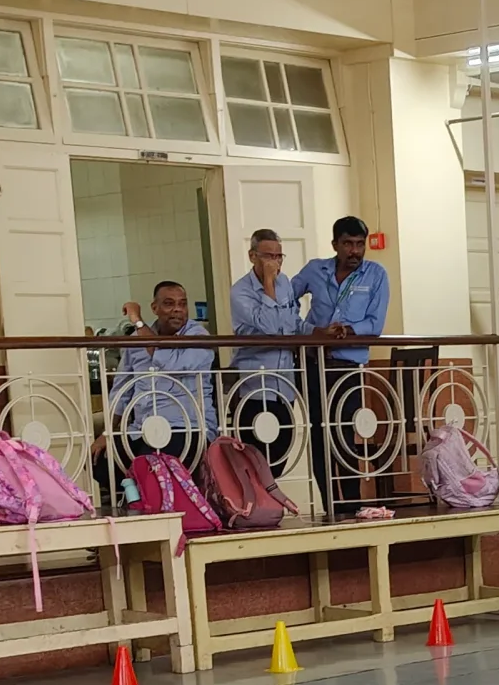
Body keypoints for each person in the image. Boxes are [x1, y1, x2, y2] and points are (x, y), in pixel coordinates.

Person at [294, 216, 393, 514]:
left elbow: (375, 324)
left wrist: (347, 331)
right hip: (313, 364)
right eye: (348, 244)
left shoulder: (376, 275)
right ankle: (330, 506)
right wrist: (309, 331)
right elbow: (285, 300)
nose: (355, 251)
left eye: (360, 244)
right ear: (335, 244)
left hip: (347, 368)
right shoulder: (315, 269)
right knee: (317, 434)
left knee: (344, 434)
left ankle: (351, 504)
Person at [112, 280, 215, 471]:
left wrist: (137, 321)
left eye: (183, 304)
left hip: (186, 427)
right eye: (169, 304)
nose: (177, 309)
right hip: (141, 429)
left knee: (150, 466)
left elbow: (169, 362)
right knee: (101, 461)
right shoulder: (135, 341)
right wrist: (108, 433)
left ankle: (147, 489)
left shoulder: (198, 335)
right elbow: (121, 389)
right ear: (155, 308)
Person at [228, 227, 306, 472]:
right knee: (257, 460)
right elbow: (270, 327)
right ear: (253, 256)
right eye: (269, 256)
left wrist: (319, 331)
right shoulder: (240, 291)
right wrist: (269, 283)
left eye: (279, 256)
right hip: (255, 386)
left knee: (280, 455)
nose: (275, 263)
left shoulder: (285, 284)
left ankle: (271, 496)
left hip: (285, 385)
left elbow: (292, 323)